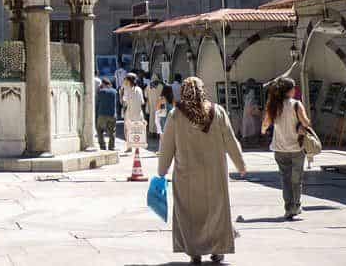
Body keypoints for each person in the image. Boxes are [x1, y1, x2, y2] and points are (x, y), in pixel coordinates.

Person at [158, 77, 247, 264]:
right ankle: (217, 249)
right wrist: (240, 164)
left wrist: (162, 169)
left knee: (191, 214)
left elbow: (166, 146)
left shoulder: (175, 115)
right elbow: (230, 140)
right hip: (215, 173)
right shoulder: (218, 111)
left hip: (186, 176)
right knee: (216, 211)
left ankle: (194, 252)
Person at [262, 78, 313, 218]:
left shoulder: (273, 106)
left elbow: (265, 124)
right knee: (296, 179)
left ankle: (288, 207)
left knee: (285, 179)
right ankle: (296, 206)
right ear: (289, 90)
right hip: (297, 147)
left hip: (279, 148)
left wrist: (264, 130)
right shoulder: (296, 104)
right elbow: (306, 123)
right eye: (294, 88)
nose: (295, 90)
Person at [121, 74, 146, 153]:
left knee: (127, 130)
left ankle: (129, 147)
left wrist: (122, 92)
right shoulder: (139, 89)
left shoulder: (127, 89)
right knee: (137, 130)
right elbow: (142, 102)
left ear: (128, 81)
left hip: (130, 113)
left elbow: (124, 101)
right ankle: (136, 147)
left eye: (125, 80)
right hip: (139, 113)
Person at [96, 78, 118, 151]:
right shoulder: (114, 91)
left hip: (102, 114)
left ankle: (102, 146)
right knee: (112, 131)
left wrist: (99, 88)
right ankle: (111, 147)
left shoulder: (101, 91)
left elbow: (98, 100)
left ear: (103, 84)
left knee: (99, 130)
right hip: (112, 115)